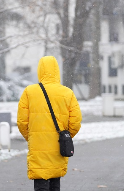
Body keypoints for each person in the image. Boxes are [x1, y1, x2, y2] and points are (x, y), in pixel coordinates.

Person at [17, 56, 82, 191]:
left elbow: (22, 122)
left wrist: (32, 137)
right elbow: (75, 122)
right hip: (58, 146)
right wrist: (65, 136)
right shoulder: (67, 93)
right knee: (55, 182)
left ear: (40, 70)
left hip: (38, 146)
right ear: (57, 70)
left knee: (41, 183)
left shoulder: (29, 92)